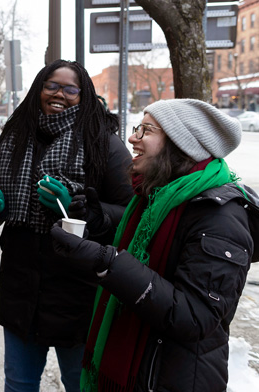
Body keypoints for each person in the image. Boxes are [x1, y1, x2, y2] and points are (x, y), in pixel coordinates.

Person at [50, 99, 258, 392]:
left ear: (180, 144)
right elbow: (147, 259)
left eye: (146, 130)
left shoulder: (220, 217)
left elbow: (195, 316)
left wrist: (106, 262)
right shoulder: (154, 195)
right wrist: (103, 223)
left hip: (171, 380)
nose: (132, 138)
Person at [0, 59, 133, 392]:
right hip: (20, 285)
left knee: (80, 383)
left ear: (83, 94)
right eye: (51, 86)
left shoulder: (102, 143)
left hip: (77, 291)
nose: (59, 94)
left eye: (70, 88)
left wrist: (81, 209)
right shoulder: (14, 137)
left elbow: (130, 212)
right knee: (18, 383)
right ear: (39, 89)